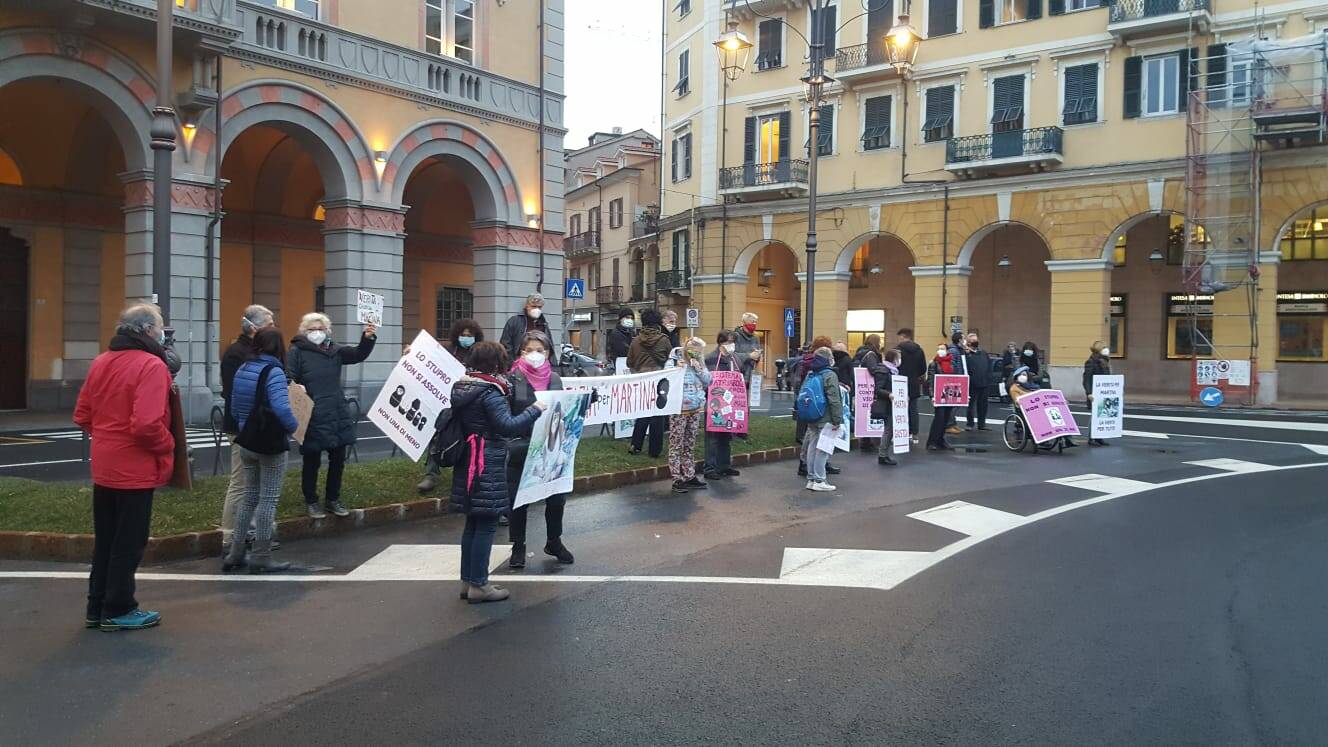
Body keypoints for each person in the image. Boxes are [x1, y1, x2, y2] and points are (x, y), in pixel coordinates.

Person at [73, 304, 174, 631]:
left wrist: (106, 435)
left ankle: (96, 605)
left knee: (106, 539)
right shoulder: (151, 366)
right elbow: (146, 424)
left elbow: (82, 415)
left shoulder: (101, 361)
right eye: (160, 327)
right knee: (129, 542)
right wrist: (168, 444)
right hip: (135, 466)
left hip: (105, 464)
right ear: (147, 330)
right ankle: (118, 607)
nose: (163, 333)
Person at [449, 341, 546, 603]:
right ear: (495, 363)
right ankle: (480, 585)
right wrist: (534, 411)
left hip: (467, 460)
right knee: (487, 522)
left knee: (473, 522)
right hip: (486, 460)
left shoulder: (464, 387)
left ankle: (467, 581)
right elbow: (507, 426)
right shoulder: (490, 393)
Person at [223, 328, 300, 574]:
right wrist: (295, 428)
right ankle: (261, 555)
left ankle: (236, 552)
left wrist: (246, 423)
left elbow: (233, 405)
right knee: (268, 500)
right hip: (269, 443)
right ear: (278, 348)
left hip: (247, 440)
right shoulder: (274, 371)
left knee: (249, 497)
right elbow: (280, 407)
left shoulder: (244, 368)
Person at [287, 312, 376, 519]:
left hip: (336, 411)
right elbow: (288, 374)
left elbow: (357, 354)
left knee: (338, 459)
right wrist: (294, 387)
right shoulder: (297, 351)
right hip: (312, 412)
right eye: (312, 329)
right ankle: (311, 501)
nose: (316, 332)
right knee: (312, 460)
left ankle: (332, 499)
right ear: (304, 332)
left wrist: (368, 337)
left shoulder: (335, 350)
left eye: (320, 329)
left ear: (327, 331)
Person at [506, 331, 574, 568]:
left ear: (548, 353)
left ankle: (554, 540)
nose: (535, 354)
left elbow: (564, 408)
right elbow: (507, 414)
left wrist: (587, 401)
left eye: (540, 350)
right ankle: (518, 546)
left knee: (556, 498)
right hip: (521, 447)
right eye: (529, 350)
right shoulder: (512, 379)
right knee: (518, 500)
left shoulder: (554, 378)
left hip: (550, 447)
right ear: (521, 353)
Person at [220, 304, 274, 555]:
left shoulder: (258, 352)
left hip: (260, 427)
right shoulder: (235, 354)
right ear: (253, 328)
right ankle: (230, 538)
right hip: (242, 427)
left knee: (258, 484)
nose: (273, 329)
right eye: (268, 324)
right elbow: (234, 395)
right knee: (241, 483)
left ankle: (251, 533)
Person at [417, 319, 484, 493]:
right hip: (444, 402)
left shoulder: (480, 353)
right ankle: (431, 474)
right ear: (457, 335)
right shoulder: (446, 350)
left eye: (470, 335)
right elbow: (426, 362)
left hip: (469, 402)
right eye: (463, 335)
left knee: (468, 440)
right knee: (438, 435)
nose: (466, 338)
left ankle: (464, 476)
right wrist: (411, 353)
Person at [668, 337, 712, 493]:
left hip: (694, 408)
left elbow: (708, 381)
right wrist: (675, 367)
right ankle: (676, 479)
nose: (696, 353)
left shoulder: (699, 362)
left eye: (699, 351)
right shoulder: (675, 358)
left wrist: (699, 368)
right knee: (676, 444)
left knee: (689, 444)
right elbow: (665, 377)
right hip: (679, 409)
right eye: (694, 350)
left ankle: (689, 475)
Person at [627, 308, 671, 457]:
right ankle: (654, 450)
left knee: (642, 413)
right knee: (658, 415)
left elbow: (629, 363)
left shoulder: (635, 341)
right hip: (659, 381)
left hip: (642, 380)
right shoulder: (664, 340)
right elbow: (670, 359)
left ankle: (636, 445)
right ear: (658, 323)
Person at [799, 347, 844, 492]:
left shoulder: (811, 373)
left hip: (812, 415)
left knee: (812, 446)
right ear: (827, 359)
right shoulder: (829, 375)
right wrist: (838, 419)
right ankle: (820, 479)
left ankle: (811, 478)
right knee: (823, 449)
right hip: (826, 417)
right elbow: (834, 399)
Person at [792, 336, 838, 478]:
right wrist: (838, 419)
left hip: (807, 404)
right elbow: (832, 396)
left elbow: (800, 384)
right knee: (818, 442)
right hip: (821, 408)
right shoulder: (825, 371)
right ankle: (817, 475)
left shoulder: (808, 365)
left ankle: (809, 469)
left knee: (811, 438)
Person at [1009, 364, 1077, 451]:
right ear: (1017, 377)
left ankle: (1067, 438)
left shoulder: (1032, 386)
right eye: (1022, 375)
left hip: (1039, 408)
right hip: (1025, 412)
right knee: (1044, 418)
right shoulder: (1014, 388)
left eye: (1025, 375)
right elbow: (1017, 401)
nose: (1024, 377)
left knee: (1057, 415)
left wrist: (1060, 401)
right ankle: (1043, 439)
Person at [703, 330, 742, 481]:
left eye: (733, 342)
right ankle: (710, 468)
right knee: (712, 436)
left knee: (726, 435)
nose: (731, 345)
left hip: (730, 403)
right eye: (728, 342)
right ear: (720, 342)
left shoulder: (735, 358)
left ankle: (724, 465)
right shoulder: (711, 359)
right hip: (715, 403)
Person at [895, 328, 927, 444]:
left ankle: (901, 432)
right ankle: (915, 434)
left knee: (899, 408)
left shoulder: (897, 350)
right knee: (913, 409)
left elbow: (893, 367)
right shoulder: (919, 350)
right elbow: (923, 368)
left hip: (899, 382)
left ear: (903, 337)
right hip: (913, 383)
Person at [499, 293, 552, 361]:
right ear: (527, 306)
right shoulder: (514, 321)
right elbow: (505, 345)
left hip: (540, 364)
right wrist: (512, 364)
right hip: (518, 364)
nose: (537, 309)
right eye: (534, 306)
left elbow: (549, 346)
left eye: (539, 307)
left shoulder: (544, 323)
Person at [926, 341, 958, 451]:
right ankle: (932, 441)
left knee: (946, 418)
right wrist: (932, 395)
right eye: (938, 348)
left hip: (948, 394)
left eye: (942, 348)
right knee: (939, 418)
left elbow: (955, 380)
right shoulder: (934, 363)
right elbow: (930, 380)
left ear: (947, 351)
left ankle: (940, 440)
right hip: (938, 395)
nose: (940, 350)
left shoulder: (951, 364)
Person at [874, 348, 903, 466]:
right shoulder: (884, 371)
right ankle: (883, 455)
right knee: (888, 429)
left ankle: (883, 454)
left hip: (891, 403)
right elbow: (878, 389)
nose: (900, 360)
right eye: (898, 357)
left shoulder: (892, 371)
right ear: (894, 359)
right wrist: (889, 394)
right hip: (886, 403)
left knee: (889, 429)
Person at [1083, 340, 1112, 447]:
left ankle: (1099, 437)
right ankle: (1092, 437)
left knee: (1101, 415)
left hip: (1104, 393)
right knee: (1095, 415)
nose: (1106, 349)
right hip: (1095, 394)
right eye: (1104, 347)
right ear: (1099, 350)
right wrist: (1089, 393)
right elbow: (1087, 379)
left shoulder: (1105, 361)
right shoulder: (1091, 362)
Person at [963, 332, 993, 431]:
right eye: (972, 341)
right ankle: (970, 424)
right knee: (971, 405)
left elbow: (989, 365)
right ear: (968, 342)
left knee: (983, 405)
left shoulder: (983, 353)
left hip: (984, 383)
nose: (975, 342)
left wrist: (989, 378)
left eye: (976, 340)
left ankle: (982, 424)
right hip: (972, 384)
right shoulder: (966, 354)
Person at [733, 312, 763, 382]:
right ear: (744, 322)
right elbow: (731, 355)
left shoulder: (756, 337)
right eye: (752, 322)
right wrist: (749, 355)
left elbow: (757, 357)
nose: (754, 324)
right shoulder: (735, 336)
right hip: (737, 376)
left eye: (755, 322)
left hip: (751, 375)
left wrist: (758, 355)